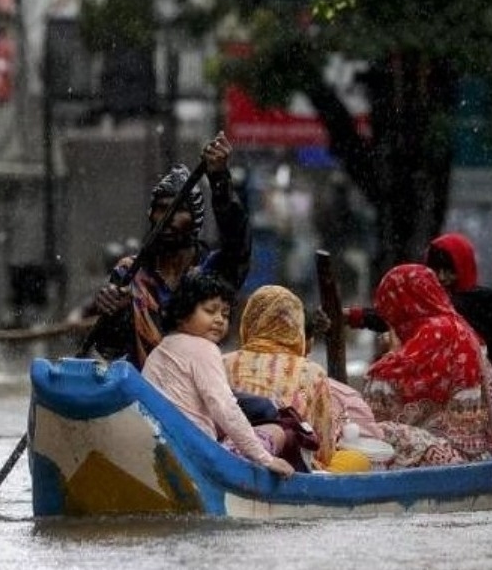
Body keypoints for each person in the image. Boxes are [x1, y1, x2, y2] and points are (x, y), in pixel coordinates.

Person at [345, 232, 492, 453]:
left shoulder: (468, 307)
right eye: (436, 271)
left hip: (491, 407)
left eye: (449, 271)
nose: (443, 278)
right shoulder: (441, 319)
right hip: (460, 411)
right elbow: (402, 311)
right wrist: (357, 317)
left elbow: (404, 310)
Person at [82, 131, 252, 368]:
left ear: (195, 219)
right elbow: (109, 350)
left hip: (198, 389)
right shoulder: (129, 274)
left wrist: (219, 178)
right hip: (142, 391)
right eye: (160, 209)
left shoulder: (212, 272)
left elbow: (238, 243)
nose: (168, 217)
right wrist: (115, 314)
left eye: (178, 210)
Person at [142, 272, 295, 478]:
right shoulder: (204, 348)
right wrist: (265, 459)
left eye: (224, 314)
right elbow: (224, 407)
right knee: (276, 432)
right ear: (182, 314)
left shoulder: (160, 350)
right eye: (210, 310)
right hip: (197, 455)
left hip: (158, 448)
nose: (219, 320)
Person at [363, 264, 492, 468]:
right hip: (474, 451)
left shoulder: (438, 330)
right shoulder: (457, 324)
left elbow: (386, 380)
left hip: (452, 455)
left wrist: (389, 354)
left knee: (372, 430)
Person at [225, 285, 366, 472]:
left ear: (249, 321)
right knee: (357, 460)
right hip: (292, 466)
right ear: (297, 326)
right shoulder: (312, 372)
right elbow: (323, 450)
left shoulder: (223, 362)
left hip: (228, 457)